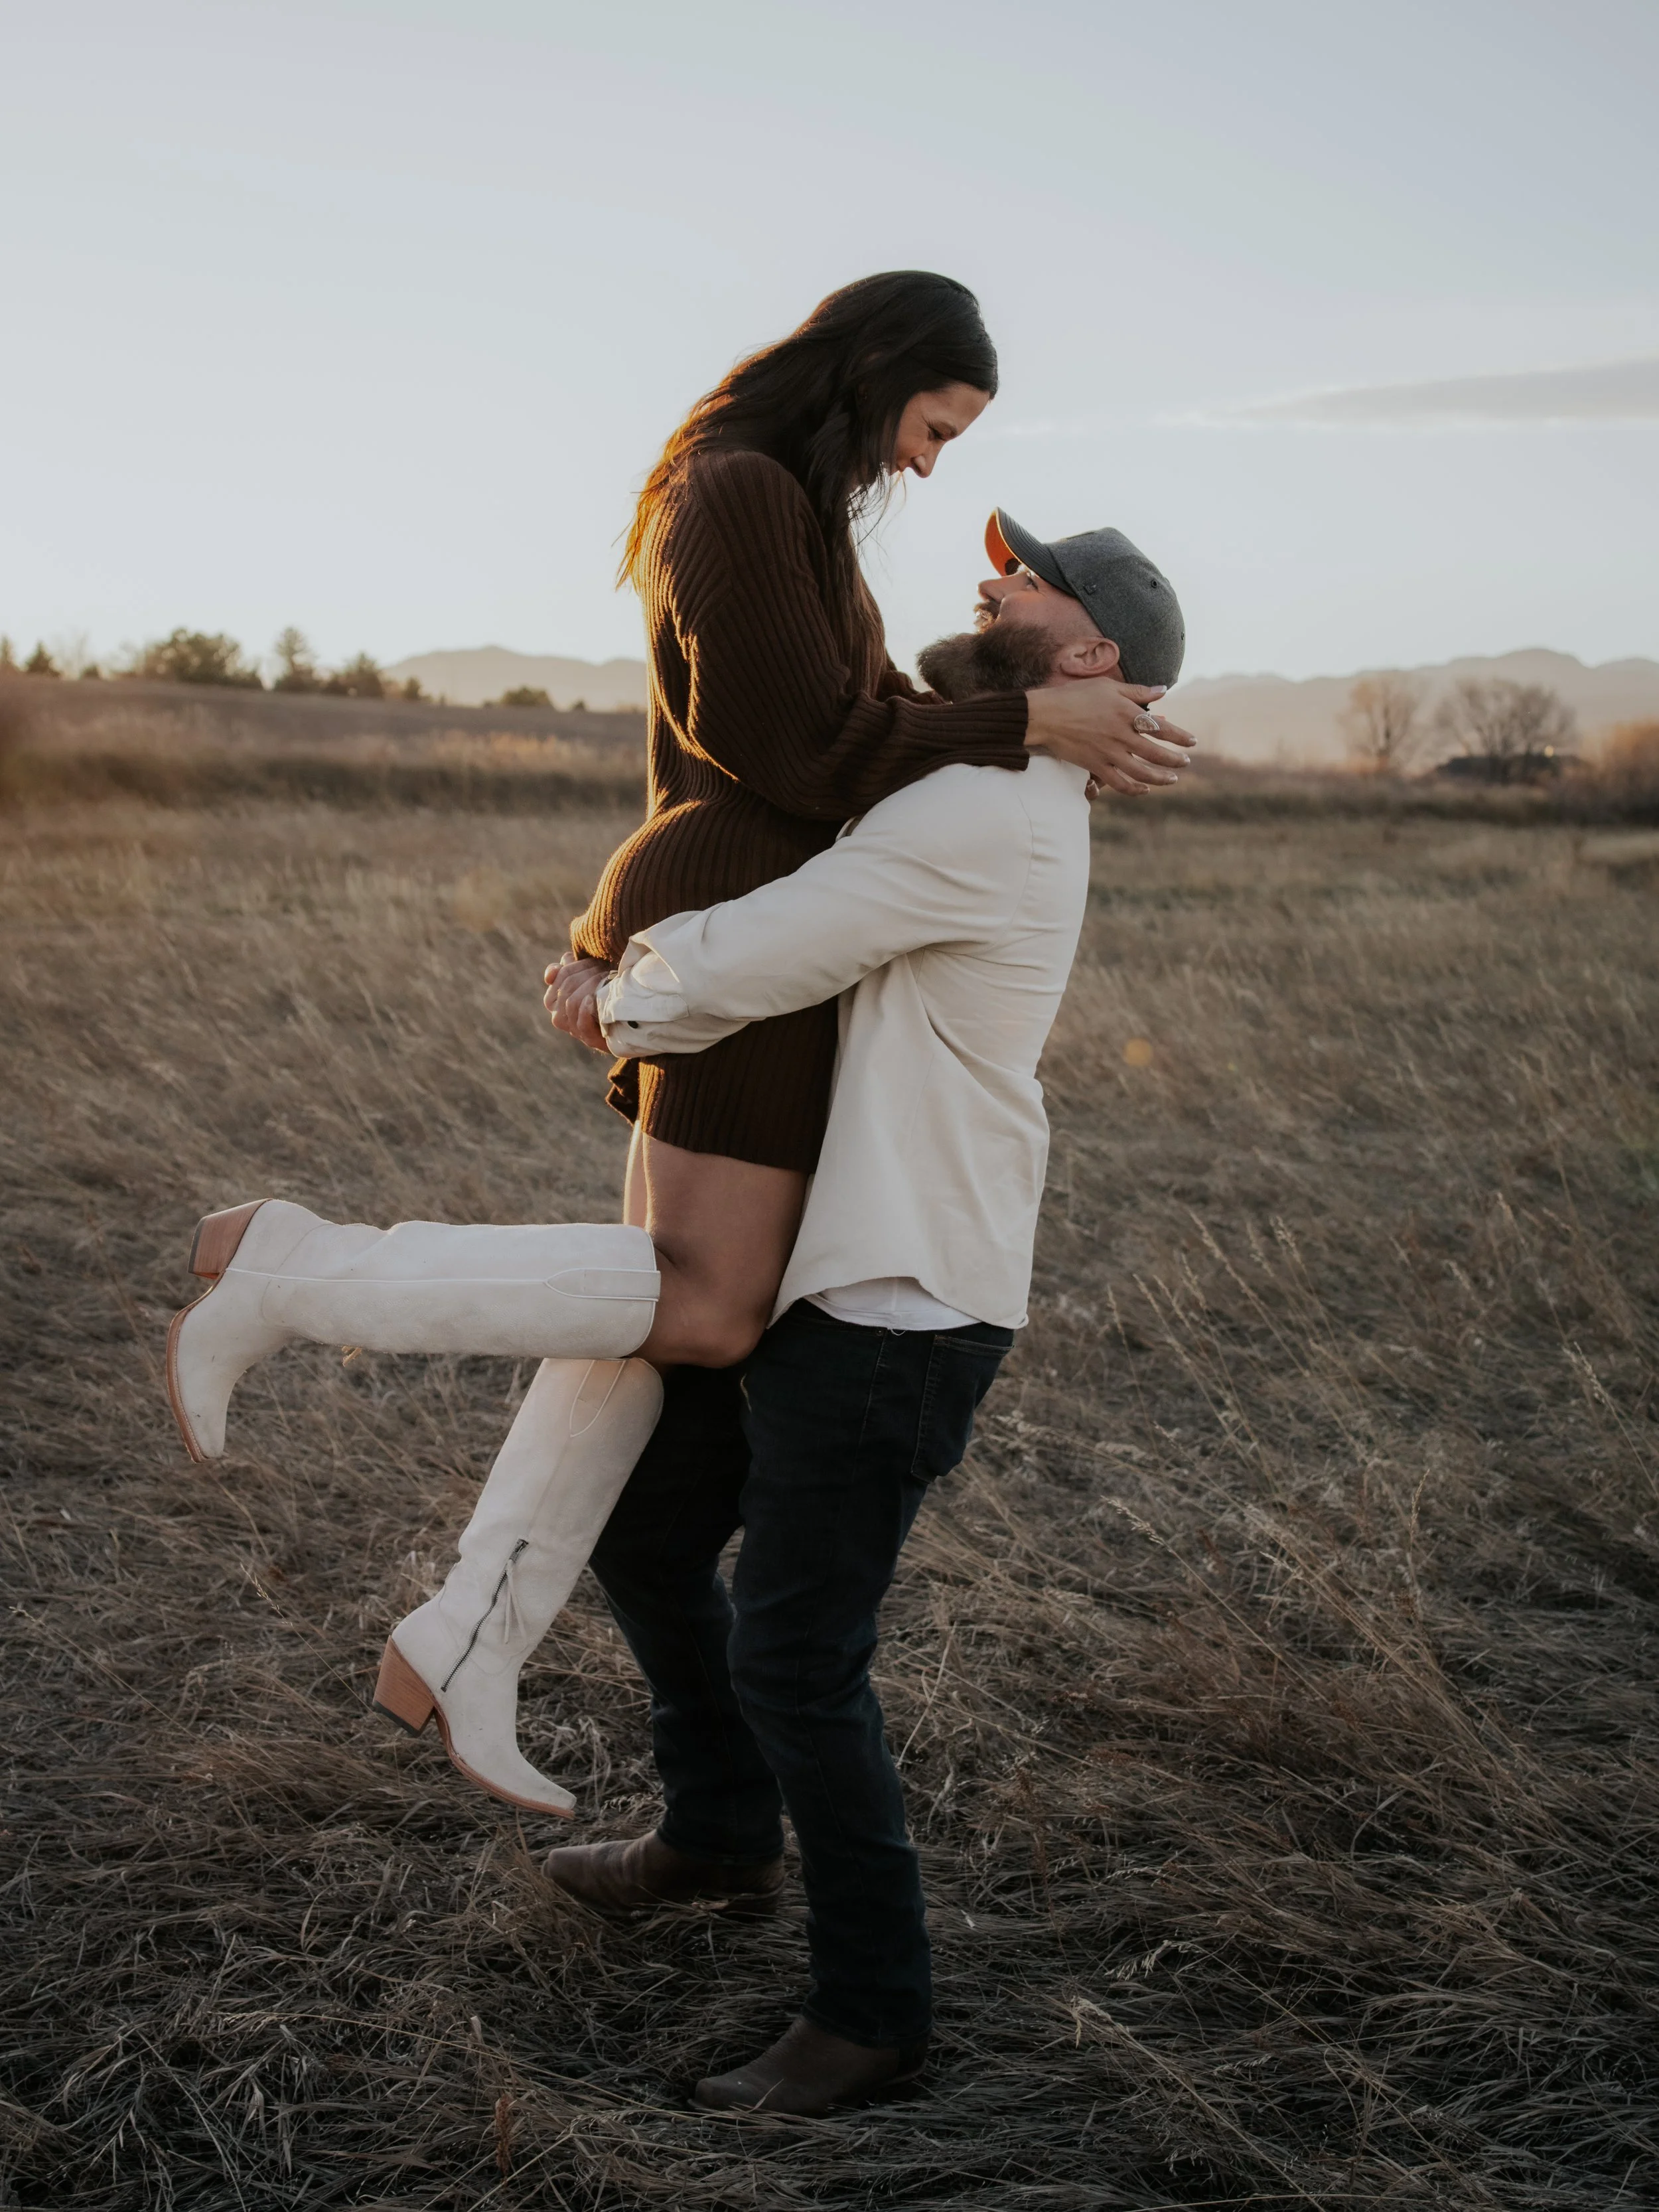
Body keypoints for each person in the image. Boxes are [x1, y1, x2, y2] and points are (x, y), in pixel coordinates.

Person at [534, 512, 1188, 2115]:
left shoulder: (985, 811)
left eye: (1025, 575)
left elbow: (766, 952)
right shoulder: (979, 773)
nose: (990, 578)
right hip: (814, 1262)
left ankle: (871, 2015)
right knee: (648, 1529)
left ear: (1090, 648)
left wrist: (609, 992)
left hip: (896, 1294)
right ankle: (714, 1835)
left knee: (797, 1654)